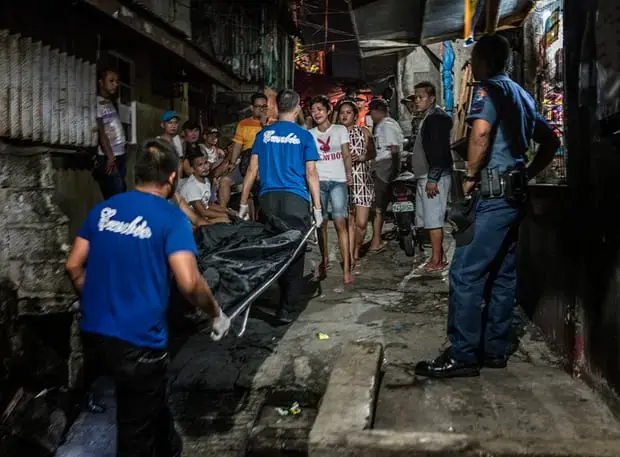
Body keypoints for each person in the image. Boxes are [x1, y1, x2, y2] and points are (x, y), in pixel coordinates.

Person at [65, 138, 231, 456]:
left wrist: (97, 298)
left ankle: (170, 447)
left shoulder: (104, 209)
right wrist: (215, 313)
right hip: (139, 340)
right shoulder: (170, 219)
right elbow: (190, 282)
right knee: (134, 430)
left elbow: (73, 265)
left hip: (96, 333)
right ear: (171, 178)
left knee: (146, 400)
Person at [415, 34, 559, 379]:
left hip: (494, 197)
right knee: (502, 274)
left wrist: (471, 177)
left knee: (466, 273)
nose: (470, 67)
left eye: (473, 61)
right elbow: (551, 141)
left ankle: (463, 354)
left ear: (482, 61)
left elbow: (480, 133)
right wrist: (526, 173)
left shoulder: (488, 90)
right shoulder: (522, 95)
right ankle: (494, 350)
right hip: (514, 197)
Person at [239, 89, 322, 324]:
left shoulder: (264, 135)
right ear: (297, 109)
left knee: (272, 249)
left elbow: (252, 171)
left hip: (268, 200)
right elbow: (311, 172)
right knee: (294, 254)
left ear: (277, 108)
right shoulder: (304, 136)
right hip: (295, 200)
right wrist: (317, 207)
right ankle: (286, 308)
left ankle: (258, 295)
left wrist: (244, 202)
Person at [309, 95, 354, 286]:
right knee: (321, 224)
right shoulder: (309, 134)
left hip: (338, 181)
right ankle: (324, 260)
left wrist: (349, 173)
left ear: (328, 111)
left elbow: (346, 154)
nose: (316, 113)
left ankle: (346, 269)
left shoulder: (340, 130)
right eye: (313, 110)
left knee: (340, 222)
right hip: (319, 182)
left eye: (320, 109)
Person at [410, 81, 454, 272]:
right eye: (416, 97)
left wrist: (433, 179)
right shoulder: (429, 117)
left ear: (432, 98)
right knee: (429, 220)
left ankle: (437, 260)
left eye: (421, 97)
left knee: (434, 220)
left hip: (433, 177)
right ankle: (438, 256)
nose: (417, 101)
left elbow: (438, 150)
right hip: (426, 175)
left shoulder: (436, 118)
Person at [336, 99, 376, 272]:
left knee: (361, 223)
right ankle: (350, 256)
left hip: (363, 180)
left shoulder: (364, 132)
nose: (344, 115)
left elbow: (373, 152)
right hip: (343, 180)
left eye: (348, 113)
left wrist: (362, 157)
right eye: (342, 112)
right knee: (347, 222)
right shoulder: (335, 133)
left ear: (354, 116)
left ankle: (356, 250)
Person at [220, 93, 269, 209]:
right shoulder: (243, 123)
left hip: (264, 162)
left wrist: (264, 125)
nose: (262, 110)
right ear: (252, 107)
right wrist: (232, 163)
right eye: (258, 107)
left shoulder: (273, 123)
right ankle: (222, 212)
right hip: (246, 161)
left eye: (264, 107)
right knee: (224, 181)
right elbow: (237, 145)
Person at [368, 98, 404, 254]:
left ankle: (376, 240)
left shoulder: (386, 126)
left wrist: (394, 170)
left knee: (378, 208)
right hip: (386, 167)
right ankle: (377, 239)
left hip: (384, 168)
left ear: (376, 111)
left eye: (372, 113)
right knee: (379, 207)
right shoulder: (389, 124)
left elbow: (394, 149)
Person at [93, 68, 127, 200]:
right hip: (109, 157)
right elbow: (101, 132)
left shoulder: (108, 102)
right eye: (111, 81)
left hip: (120, 154)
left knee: (121, 191)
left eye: (117, 81)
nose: (115, 84)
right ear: (101, 82)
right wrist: (110, 156)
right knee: (115, 197)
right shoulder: (96, 103)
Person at [180, 153, 230, 224]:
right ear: (192, 169)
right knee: (226, 220)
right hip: (189, 222)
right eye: (200, 165)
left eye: (206, 163)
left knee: (229, 216)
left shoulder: (206, 180)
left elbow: (207, 205)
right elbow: (203, 212)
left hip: (201, 217)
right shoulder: (191, 186)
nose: (205, 167)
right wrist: (225, 215)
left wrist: (227, 211)